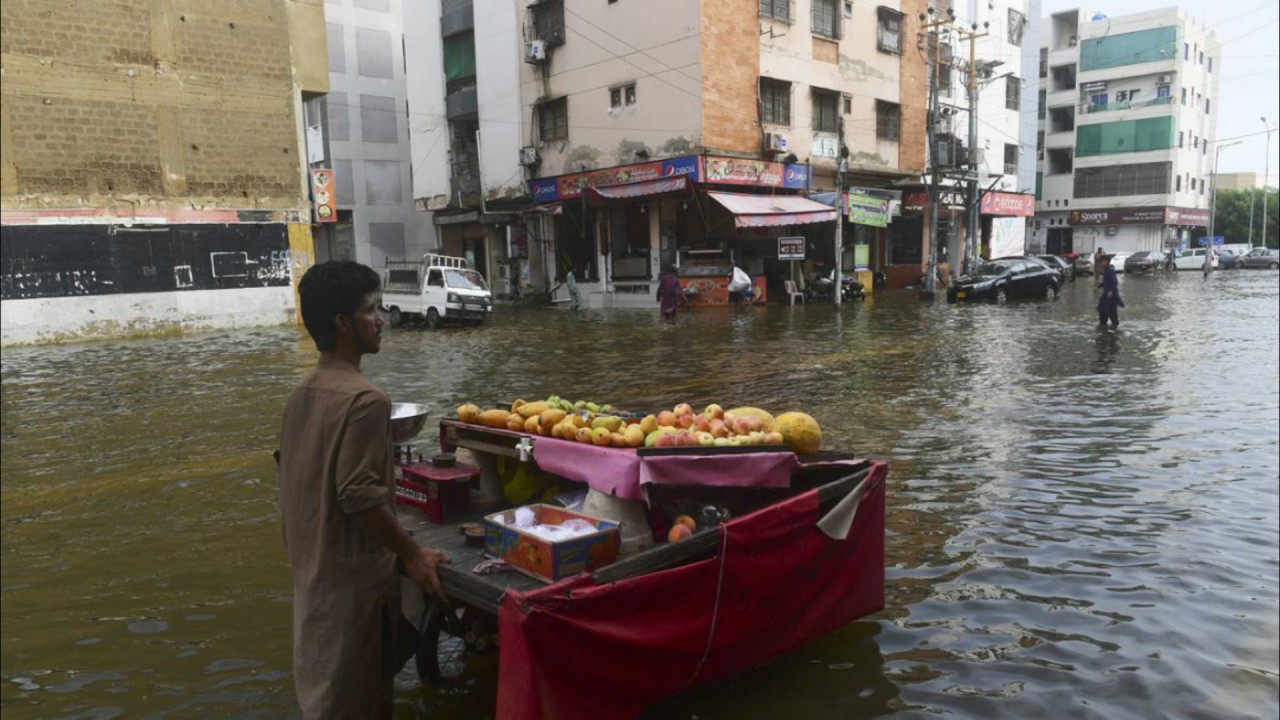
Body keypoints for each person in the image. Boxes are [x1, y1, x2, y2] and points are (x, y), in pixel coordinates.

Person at [277, 261, 450, 718]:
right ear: (342, 324)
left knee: (324, 700)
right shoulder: (367, 400)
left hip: (315, 584)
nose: (381, 319)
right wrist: (412, 553)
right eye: (371, 310)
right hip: (355, 597)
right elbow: (357, 495)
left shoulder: (301, 394)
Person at [1096, 253, 1124, 328]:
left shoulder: (1110, 270)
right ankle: (1103, 325)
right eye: (1101, 261)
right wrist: (1100, 285)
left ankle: (1114, 327)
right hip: (1106, 294)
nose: (1102, 263)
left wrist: (1111, 291)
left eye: (1103, 261)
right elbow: (1107, 281)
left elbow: (1115, 281)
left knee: (1112, 312)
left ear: (1108, 262)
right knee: (1102, 310)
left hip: (1111, 296)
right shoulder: (1105, 270)